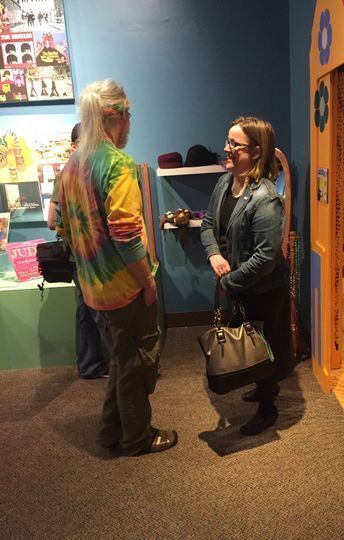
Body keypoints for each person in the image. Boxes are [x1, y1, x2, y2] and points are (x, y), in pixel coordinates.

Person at [57, 78, 177, 455]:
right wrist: (147, 281)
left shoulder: (72, 165)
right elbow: (126, 235)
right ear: (116, 115)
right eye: (129, 115)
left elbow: (63, 227)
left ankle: (110, 431)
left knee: (120, 359)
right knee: (138, 363)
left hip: (92, 287)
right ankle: (137, 438)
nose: (130, 124)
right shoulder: (116, 164)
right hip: (124, 288)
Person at [200, 116, 294, 436]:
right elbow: (207, 224)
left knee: (265, 346)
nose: (226, 149)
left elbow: (266, 258)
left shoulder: (266, 198)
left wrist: (230, 282)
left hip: (265, 290)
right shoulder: (225, 183)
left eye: (234, 145)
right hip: (240, 285)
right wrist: (214, 254)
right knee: (248, 344)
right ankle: (263, 386)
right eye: (227, 141)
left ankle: (268, 409)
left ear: (256, 151)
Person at [48, 123, 109, 380]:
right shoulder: (86, 174)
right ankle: (120, 364)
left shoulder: (64, 175)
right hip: (92, 256)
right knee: (99, 311)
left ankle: (90, 365)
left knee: (85, 310)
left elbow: (53, 221)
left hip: (76, 255)